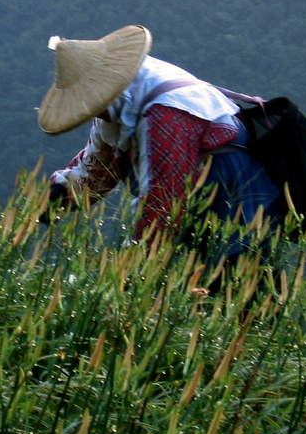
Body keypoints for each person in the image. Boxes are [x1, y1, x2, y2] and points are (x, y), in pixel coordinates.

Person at [37, 25, 283, 260]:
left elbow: (163, 200)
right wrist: (60, 194)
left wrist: (132, 264)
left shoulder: (165, 114)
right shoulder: (120, 99)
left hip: (232, 194)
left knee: (238, 282)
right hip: (194, 198)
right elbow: (100, 167)